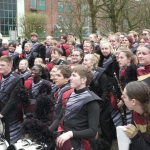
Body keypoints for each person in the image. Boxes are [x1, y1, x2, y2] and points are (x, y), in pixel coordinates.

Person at [49, 65, 103, 150]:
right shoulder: (70, 94)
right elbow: (59, 118)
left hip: (81, 144)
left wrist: (70, 134)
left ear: (83, 80)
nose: (70, 78)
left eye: (74, 75)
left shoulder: (92, 101)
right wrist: (46, 133)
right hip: (66, 139)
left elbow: (92, 131)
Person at [83, 54, 112, 149]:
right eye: (84, 60)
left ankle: (108, 143)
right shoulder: (84, 72)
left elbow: (105, 91)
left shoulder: (101, 73)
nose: (84, 62)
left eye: (86, 60)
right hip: (92, 100)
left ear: (92, 62)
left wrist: (100, 105)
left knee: (104, 120)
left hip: (103, 101)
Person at [0, 56, 24, 144]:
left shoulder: (17, 79)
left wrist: (2, 114)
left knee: (9, 138)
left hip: (11, 112)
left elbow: (13, 99)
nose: (0, 67)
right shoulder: (0, 76)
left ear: (10, 66)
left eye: (3, 65)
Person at [122, 81, 150, 150]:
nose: (121, 97)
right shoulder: (136, 113)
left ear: (133, 102)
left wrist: (135, 136)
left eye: (124, 96)